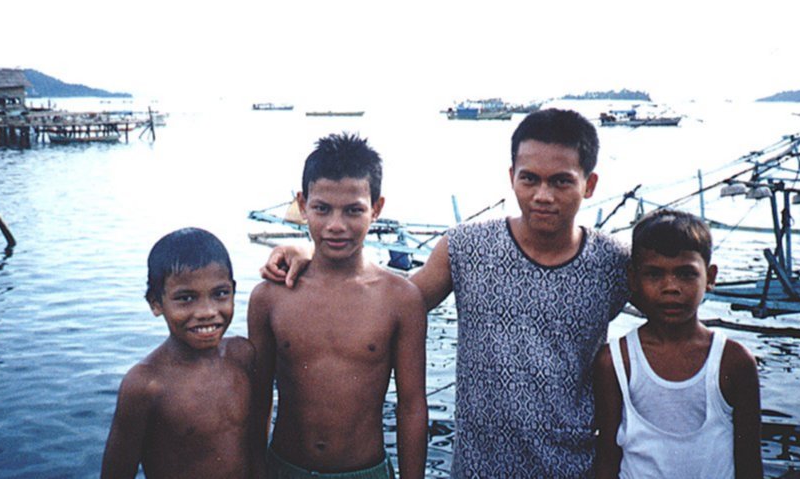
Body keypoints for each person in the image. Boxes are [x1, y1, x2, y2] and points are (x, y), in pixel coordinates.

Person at [262, 110, 631, 477]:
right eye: (530, 179)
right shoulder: (466, 249)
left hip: (573, 469)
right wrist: (313, 252)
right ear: (511, 177)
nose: (543, 196)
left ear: (590, 183)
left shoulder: (613, 263)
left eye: (562, 182)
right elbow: (382, 299)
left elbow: (674, 310)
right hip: (480, 470)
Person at [248, 133, 428, 479]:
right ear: (302, 205)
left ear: (376, 208)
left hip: (365, 471)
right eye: (322, 208)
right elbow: (257, 401)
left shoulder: (400, 299)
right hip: (283, 469)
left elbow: (412, 407)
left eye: (353, 211)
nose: (335, 225)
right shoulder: (270, 297)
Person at [593, 210, 762, 478]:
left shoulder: (733, 361)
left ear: (710, 277)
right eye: (654, 274)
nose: (670, 287)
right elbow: (606, 459)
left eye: (686, 274)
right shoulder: (616, 361)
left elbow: (750, 462)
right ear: (633, 279)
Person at [101, 228, 255, 479]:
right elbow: (117, 473)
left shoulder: (243, 356)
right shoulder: (145, 384)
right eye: (186, 298)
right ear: (155, 302)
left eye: (220, 294)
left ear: (234, 291)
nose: (207, 311)